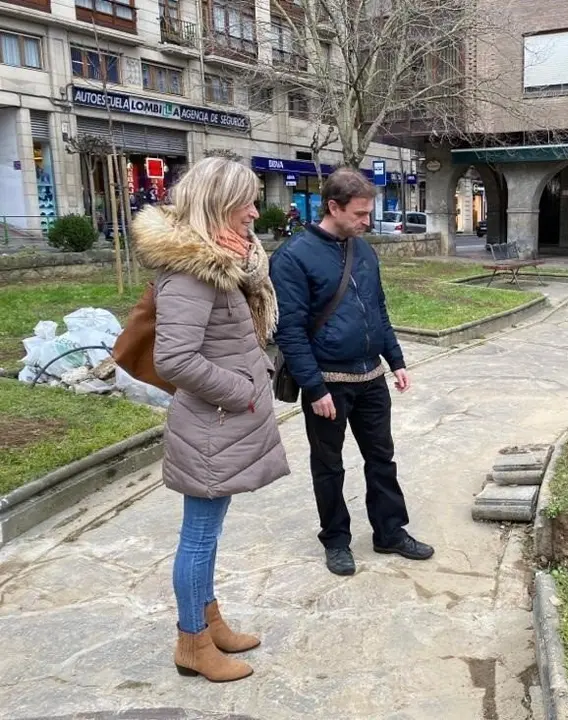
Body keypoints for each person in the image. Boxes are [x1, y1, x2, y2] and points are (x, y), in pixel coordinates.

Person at [132, 157, 290, 683]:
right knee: (198, 538)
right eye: (244, 201)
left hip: (218, 427)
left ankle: (209, 622)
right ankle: (192, 644)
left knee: (209, 535)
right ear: (217, 205)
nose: (253, 210)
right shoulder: (191, 273)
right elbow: (174, 360)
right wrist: (243, 391)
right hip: (210, 428)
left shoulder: (221, 262)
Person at [270, 167, 433, 577]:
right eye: (360, 214)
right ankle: (336, 540)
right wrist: (314, 386)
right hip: (327, 384)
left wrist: (395, 360)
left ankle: (390, 532)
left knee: (382, 458)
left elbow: (378, 309)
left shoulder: (363, 249)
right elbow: (289, 332)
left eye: (368, 213)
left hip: (371, 377)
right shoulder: (292, 257)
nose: (366, 221)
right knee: (329, 466)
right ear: (333, 207)